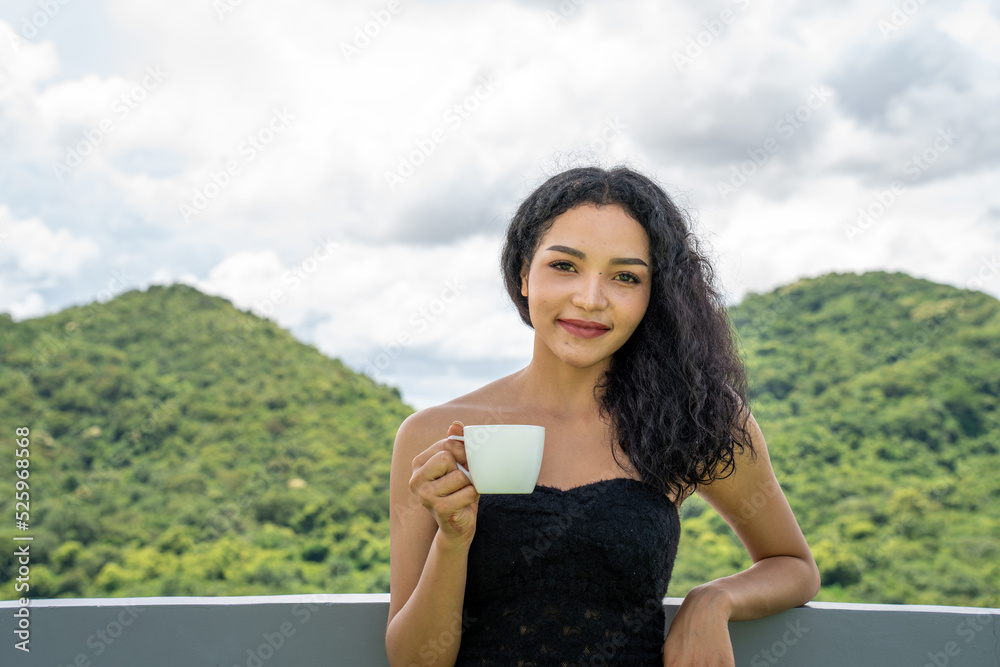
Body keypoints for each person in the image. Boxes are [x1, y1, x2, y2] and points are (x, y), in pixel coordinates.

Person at [384, 166, 820, 666]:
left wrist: (713, 601)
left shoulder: (690, 417)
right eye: (565, 266)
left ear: (653, 294)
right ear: (524, 274)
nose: (590, 299)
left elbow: (793, 565)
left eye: (625, 277)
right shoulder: (431, 435)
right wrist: (453, 539)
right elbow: (415, 661)